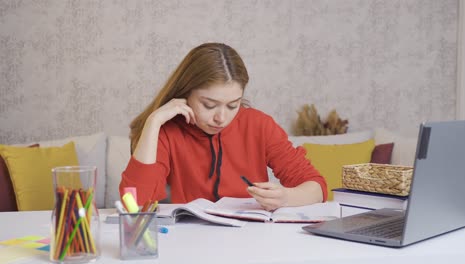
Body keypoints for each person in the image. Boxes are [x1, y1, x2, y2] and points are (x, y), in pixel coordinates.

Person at [119, 43, 327, 211]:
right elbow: (134, 204)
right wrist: (153, 122)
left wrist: (286, 197)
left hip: (252, 239)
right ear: (185, 93)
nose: (221, 117)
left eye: (232, 105)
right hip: (191, 240)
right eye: (209, 105)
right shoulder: (168, 131)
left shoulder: (259, 125)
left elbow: (317, 186)